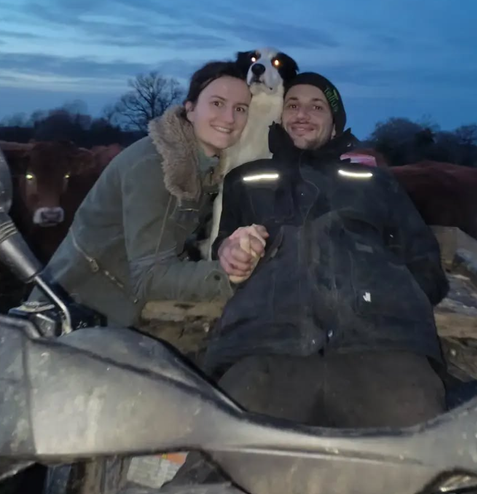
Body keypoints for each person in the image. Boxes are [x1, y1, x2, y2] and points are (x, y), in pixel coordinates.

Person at [206, 72, 449, 429]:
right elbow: (222, 246)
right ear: (280, 116)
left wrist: (389, 303)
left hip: (383, 348)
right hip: (266, 346)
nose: (302, 113)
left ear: (335, 124)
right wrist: (229, 253)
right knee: (224, 457)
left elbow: (425, 261)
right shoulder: (245, 180)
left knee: (423, 456)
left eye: (317, 106)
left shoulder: (376, 182)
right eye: (293, 105)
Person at [26, 60, 251, 326]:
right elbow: (150, 278)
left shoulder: (202, 167)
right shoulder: (155, 166)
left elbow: (169, 241)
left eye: (240, 109)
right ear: (190, 110)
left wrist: (225, 249)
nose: (229, 118)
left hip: (115, 308)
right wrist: (227, 275)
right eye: (217, 103)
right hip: (72, 316)